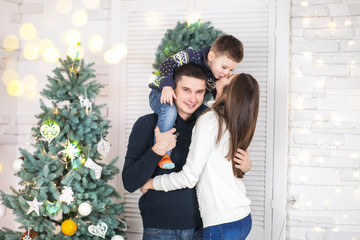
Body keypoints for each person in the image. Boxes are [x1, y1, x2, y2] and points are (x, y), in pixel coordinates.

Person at [122, 63, 251, 240]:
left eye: (199, 92)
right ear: (172, 90)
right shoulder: (147, 125)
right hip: (159, 227)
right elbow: (129, 183)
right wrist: (157, 150)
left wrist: (245, 167)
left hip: (201, 227)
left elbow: (222, 169)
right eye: (186, 90)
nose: (193, 98)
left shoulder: (209, 124)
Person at [148, 34, 244, 169]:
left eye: (231, 70)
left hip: (181, 101)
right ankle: (164, 153)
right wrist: (167, 86)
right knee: (170, 111)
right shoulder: (191, 55)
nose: (226, 73)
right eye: (224, 67)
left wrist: (221, 87)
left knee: (209, 114)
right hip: (160, 93)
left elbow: (218, 102)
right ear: (211, 56)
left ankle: (221, 153)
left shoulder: (217, 76)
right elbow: (167, 64)